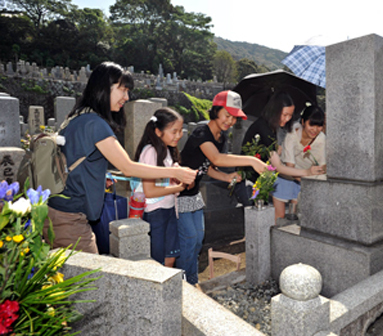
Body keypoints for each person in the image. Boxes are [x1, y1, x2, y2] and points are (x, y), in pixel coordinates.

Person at [44, 62, 196, 254]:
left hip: (57, 211)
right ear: (103, 89)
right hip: (69, 218)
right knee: (89, 281)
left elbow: (77, 161)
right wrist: (176, 172)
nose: (126, 97)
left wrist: (98, 177)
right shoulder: (96, 124)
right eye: (122, 90)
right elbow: (128, 168)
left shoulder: (78, 117)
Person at [177, 90, 267, 285]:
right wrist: (251, 160)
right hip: (177, 194)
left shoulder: (220, 138)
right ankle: (183, 283)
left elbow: (208, 166)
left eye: (234, 118)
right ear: (216, 111)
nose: (230, 121)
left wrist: (226, 177)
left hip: (193, 194)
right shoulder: (202, 132)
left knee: (198, 239)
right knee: (189, 239)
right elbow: (216, 158)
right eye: (227, 115)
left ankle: (191, 280)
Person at [134, 108, 186, 267]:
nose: (178, 136)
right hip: (155, 212)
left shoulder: (167, 150)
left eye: (180, 131)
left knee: (170, 257)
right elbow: (149, 191)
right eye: (174, 131)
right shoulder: (150, 152)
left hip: (168, 208)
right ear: (158, 131)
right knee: (157, 261)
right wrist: (179, 187)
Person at [234, 91, 296, 205]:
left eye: (290, 115)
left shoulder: (269, 126)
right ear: (275, 111)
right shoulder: (264, 128)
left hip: (258, 181)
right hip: (248, 182)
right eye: (285, 114)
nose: (287, 119)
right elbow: (278, 167)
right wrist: (303, 174)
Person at [270, 105, 326, 222]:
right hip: (286, 175)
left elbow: (322, 167)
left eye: (319, 126)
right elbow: (290, 169)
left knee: (295, 217)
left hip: (305, 179)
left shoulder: (321, 140)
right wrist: (312, 181)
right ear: (303, 122)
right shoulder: (292, 135)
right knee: (279, 217)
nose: (315, 130)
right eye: (311, 124)